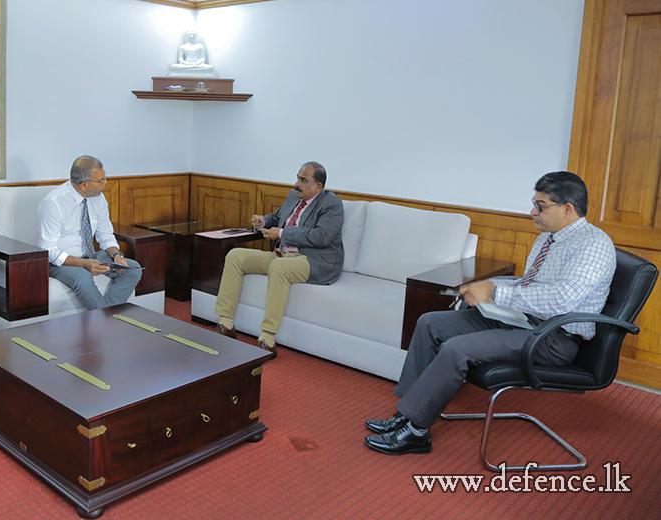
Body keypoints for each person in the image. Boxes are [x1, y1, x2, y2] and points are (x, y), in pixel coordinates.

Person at [364, 171, 616, 455]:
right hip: (523, 320)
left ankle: (416, 432)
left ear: (568, 209)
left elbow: (562, 300)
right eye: (534, 203)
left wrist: (496, 293)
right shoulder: (548, 238)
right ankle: (407, 414)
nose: (532, 211)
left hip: (554, 338)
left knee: (457, 348)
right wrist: (488, 285)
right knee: (430, 323)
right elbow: (531, 284)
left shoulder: (593, 244)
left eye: (541, 206)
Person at [213, 162, 344, 357]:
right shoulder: (294, 196)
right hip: (282, 254)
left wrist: (282, 233)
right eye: (298, 177)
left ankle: (267, 338)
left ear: (318, 186)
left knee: (279, 267)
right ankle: (225, 323)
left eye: (303, 180)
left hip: (315, 260)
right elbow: (277, 217)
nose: (296, 184)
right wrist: (263, 221)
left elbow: (321, 237)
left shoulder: (331, 204)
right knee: (236, 256)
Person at [37, 155, 142, 309]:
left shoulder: (98, 198)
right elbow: (48, 250)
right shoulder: (54, 203)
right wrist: (83, 264)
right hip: (61, 262)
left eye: (105, 177)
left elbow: (105, 235)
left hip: (91, 256)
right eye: (101, 180)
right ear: (84, 185)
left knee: (133, 269)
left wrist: (116, 255)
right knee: (83, 277)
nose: (105, 183)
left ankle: (107, 315)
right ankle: (105, 326)